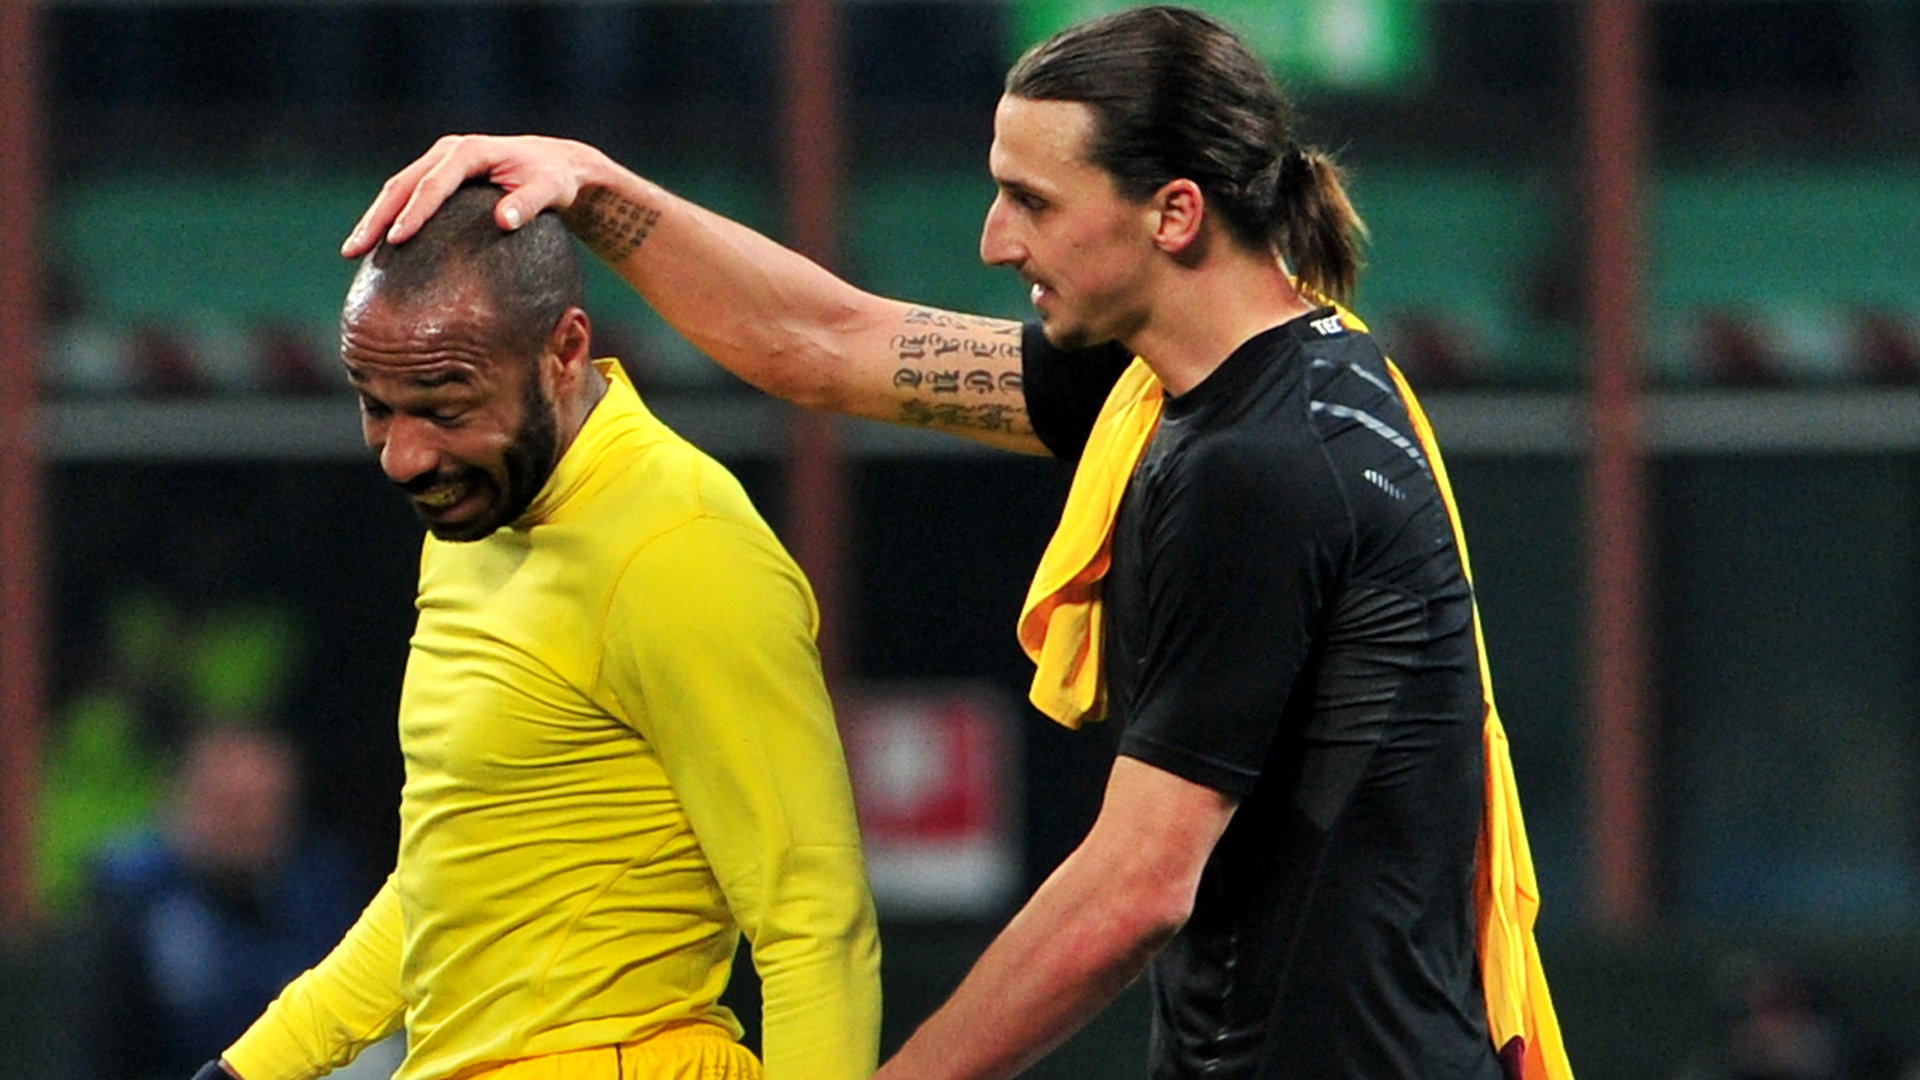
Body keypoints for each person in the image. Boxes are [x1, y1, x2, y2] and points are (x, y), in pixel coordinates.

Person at [343, 7, 1571, 1079]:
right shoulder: (1189, 384)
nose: (993, 238)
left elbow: (1136, 888)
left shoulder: (1262, 468)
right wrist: (594, 188)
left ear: (1174, 213)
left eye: (1031, 200)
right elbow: (825, 343)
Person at [200, 182, 880, 1080]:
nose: (404, 456)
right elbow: (457, 874)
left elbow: (812, 920)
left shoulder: (682, 546)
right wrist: (256, 1069)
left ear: (565, 351)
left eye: (445, 409)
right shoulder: (478, 508)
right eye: (375, 405)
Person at [74, 724, 361, 1080]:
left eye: (263, 803)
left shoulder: (320, 891)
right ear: (182, 800)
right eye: (228, 804)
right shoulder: (132, 903)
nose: (246, 822)